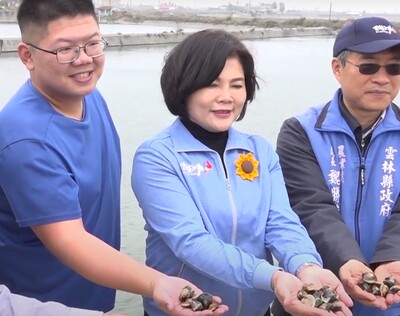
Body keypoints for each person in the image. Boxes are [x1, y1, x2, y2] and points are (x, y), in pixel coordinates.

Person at [0, 1, 227, 315]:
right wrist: (156, 283)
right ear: (28, 56)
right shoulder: (26, 138)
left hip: (96, 299)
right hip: (41, 304)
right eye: (65, 50)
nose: (84, 60)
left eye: (93, 44)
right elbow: (70, 240)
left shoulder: (88, 95)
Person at [130, 29, 353, 316]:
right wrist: (272, 277)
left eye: (237, 85)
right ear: (183, 87)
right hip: (187, 310)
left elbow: (281, 223)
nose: (226, 97)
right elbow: (191, 242)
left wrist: (306, 266)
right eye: (212, 84)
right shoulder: (157, 157)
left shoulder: (259, 150)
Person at [272, 16, 400, 316]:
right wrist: (347, 261)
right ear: (337, 69)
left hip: (387, 303)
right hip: (315, 297)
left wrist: (396, 258)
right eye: (368, 66)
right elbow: (310, 207)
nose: (382, 78)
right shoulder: (299, 132)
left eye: (394, 67)